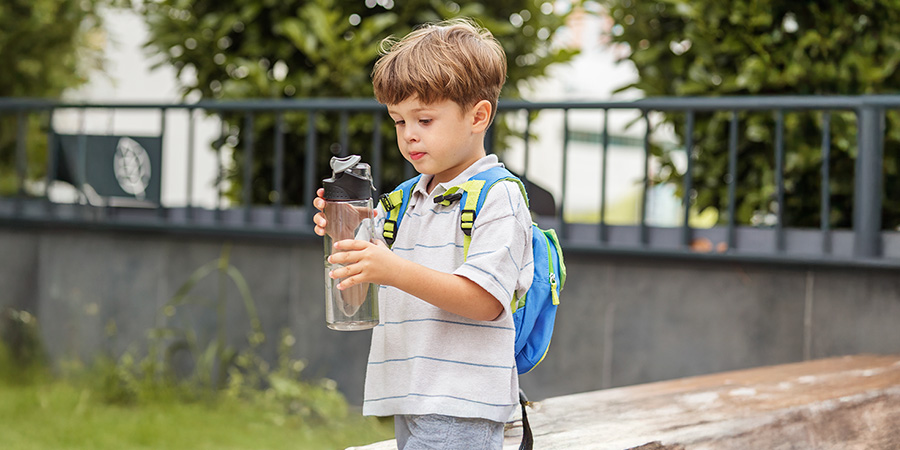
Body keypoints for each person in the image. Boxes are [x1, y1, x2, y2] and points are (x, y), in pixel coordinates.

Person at [313, 18, 533, 449]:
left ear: (478, 116)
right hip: (411, 394)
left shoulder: (498, 197)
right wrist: (346, 238)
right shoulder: (402, 200)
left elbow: (486, 301)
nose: (409, 135)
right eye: (399, 121)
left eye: (425, 119)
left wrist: (391, 268)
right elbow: (356, 301)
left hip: (461, 402)